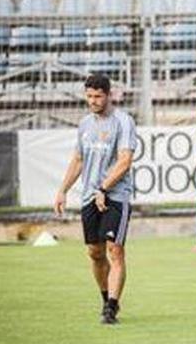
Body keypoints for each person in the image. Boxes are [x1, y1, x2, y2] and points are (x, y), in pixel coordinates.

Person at [54, 74, 137, 325]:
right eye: (89, 96)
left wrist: (104, 187)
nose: (93, 101)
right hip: (90, 196)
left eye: (98, 96)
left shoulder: (123, 121)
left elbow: (125, 161)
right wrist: (63, 190)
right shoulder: (85, 124)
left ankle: (111, 307)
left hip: (116, 196)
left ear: (109, 95)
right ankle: (106, 299)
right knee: (95, 253)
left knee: (115, 250)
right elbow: (79, 159)